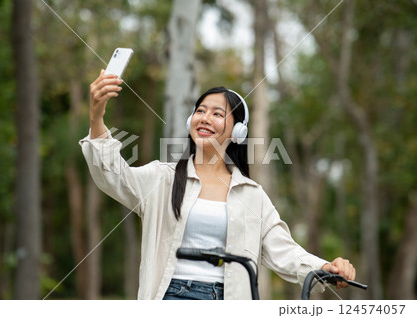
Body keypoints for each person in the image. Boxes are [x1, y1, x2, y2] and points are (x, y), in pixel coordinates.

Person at [80, 70, 356, 300]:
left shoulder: (253, 195)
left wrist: (325, 267)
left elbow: (284, 251)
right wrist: (96, 117)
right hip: (168, 298)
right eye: (200, 111)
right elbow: (112, 175)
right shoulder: (162, 178)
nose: (204, 118)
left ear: (238, 131)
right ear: (191, 121)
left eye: (217, 113)